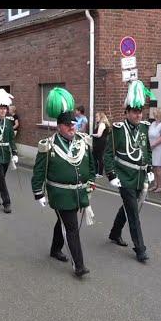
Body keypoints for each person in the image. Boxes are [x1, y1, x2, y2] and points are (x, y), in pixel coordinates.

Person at [31, 87, 94, 278]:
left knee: (63, 222)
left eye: (73, 124)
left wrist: (90, 180)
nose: (72, 128)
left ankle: (55, 249)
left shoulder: (83, 141)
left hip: (78, 193)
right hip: (59, 194)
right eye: (67, 125)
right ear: (59, 126)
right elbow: (39, 171)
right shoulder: (48, 145)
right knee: (72, 228)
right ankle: (79, 265)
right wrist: (38, 193)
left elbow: (91, 166)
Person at [104, 80, 155, 263]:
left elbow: (146, 150)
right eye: (134, 111)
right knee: (133, 211)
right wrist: (111, 174)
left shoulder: (144, 128)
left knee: (128, 206)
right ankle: (140, 249)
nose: (138, 114)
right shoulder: (118, 129)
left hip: (140, 176)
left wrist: (149, 168)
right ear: (126, 112)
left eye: (140, 111)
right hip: (124, 177)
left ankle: (114, 233)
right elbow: (108, 153)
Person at [147, 107, 161, 193]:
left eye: (156, 115)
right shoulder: (153, 123)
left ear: (160, 115)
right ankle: (155, 184)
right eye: (154, 115)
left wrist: (153, 144)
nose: (154, 116)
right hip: (152, 148)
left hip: (160, 148)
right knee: (154, 167)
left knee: (159, 167)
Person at [92, 111, 110, 178]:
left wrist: (91, 135)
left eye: (97, 116)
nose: (96, 118)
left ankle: (99, 173)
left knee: (99, 158)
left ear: (101, 117)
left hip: (100, 143)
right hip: (99, 143)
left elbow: (99, 135)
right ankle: (97, 172)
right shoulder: (100, 124)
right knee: (96, 157)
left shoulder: (102, 124)